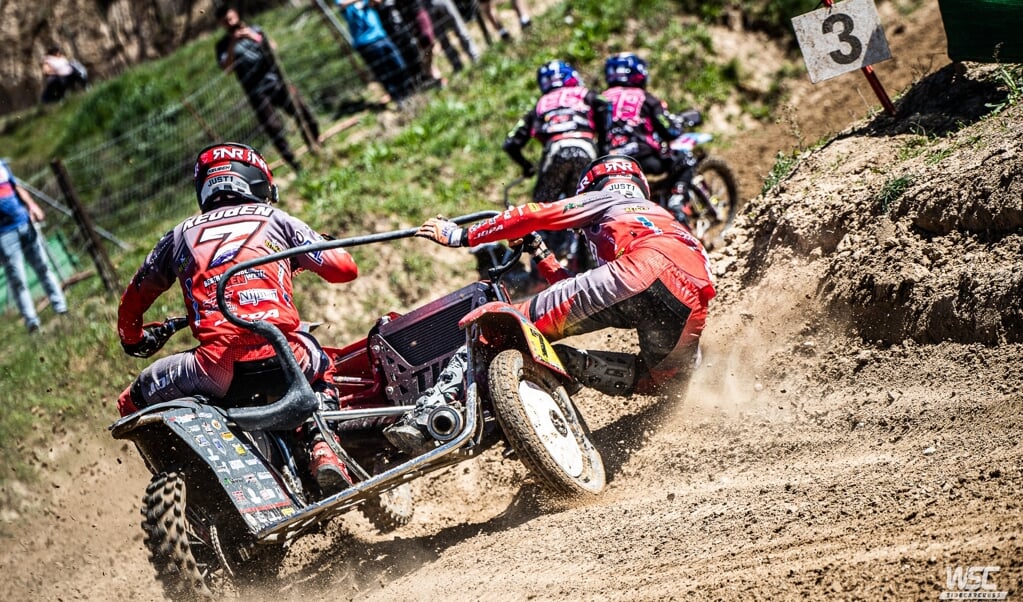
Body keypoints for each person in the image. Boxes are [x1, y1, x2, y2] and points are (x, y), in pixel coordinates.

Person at [385, 155, 715, 454]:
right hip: (692, 296)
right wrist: (541, 253)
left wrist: (460, 236)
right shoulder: (668, 223)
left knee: (492, 330)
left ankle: (426, 414)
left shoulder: (608, 197)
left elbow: (533, 214)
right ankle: (569, 367)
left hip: (634, 274)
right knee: (665, 382)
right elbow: (585, 290)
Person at [116, 142, 359, 494]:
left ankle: (196, 486)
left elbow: (131, 306)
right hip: (286, 356)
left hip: (215, 369)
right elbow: (344, 270)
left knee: (130, 402)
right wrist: (310, 249)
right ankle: (324, 448)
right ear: (257, 182)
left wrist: (134, 339)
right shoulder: (276, 220)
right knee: (321, 360)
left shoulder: (178, 236)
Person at [215, 5, 321, 172]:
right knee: (273, 127)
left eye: (230, 18)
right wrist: (233, 44)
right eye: (225, 21)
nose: (229, 22)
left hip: (277, 82)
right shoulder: (222, 45)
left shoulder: (255, 30)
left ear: (236, 14)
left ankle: (314, 143)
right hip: (257, 92)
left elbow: (273, 47)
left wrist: (253, 37)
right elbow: (227, 68)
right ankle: (293, 163)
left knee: (301, 111)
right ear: (221, 24)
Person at [0, 159, 69, 333]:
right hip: (4, 234)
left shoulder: (2, 164)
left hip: (23, 222)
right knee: (18, 280)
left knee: (43, 267)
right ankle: (32, 323)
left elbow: (16, 186)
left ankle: (61, 308)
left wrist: (32, 206)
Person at [602, 52, 690, 177]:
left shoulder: (601, 98)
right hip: (642, 159)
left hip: (605, 161)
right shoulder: (646, 98)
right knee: (686, 157)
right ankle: (678, 193)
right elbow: (669, 131)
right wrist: (678, 127)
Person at [338, 0, 415, 105]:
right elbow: (342, 4)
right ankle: (399, 100)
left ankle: (408, 93)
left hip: (380, 35)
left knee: (399, 65)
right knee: (385, 74)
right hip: (365, 42)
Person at [429, 0, 480, 74]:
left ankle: (475, 57)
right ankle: (457, 66)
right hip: (426, 5)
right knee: (442, 38)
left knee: (459, 28)